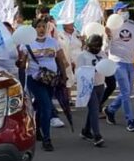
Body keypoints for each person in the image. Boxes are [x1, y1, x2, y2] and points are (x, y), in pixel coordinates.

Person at [19, 17, 68, 151]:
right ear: (34, 29)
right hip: (35, 80)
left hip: (51, 79)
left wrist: (64, 76)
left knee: (41, 107)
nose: (41, 29)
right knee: (46, 106)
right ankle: (47, 139)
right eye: (38, 27)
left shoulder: (53, 42)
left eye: (43, 27)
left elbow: (60, 60)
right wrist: (20, 62)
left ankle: (37, 130)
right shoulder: (27, 44)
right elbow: (23, 65)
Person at [105, 2, 134, 132]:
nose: (126, 11)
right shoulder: (110, 27)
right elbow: (105, 48)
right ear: (116, 12)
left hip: (130, 62)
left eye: (127, 9)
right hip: (117, 62)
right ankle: (130, 120)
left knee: (127, 92)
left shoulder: (133, 25)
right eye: (122, 9)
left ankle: (110, 110)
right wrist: (107, 37)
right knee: (125, 91)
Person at [77, 34, 106, 147]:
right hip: (89, 86)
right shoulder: (82, 56)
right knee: (94, 109)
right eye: (93, 46)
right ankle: (97, 135)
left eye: (98, 46)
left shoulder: (102, 54)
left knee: (93, 109)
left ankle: (86, 131)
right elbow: (79, 72)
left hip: (100, 84)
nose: (96, 48)